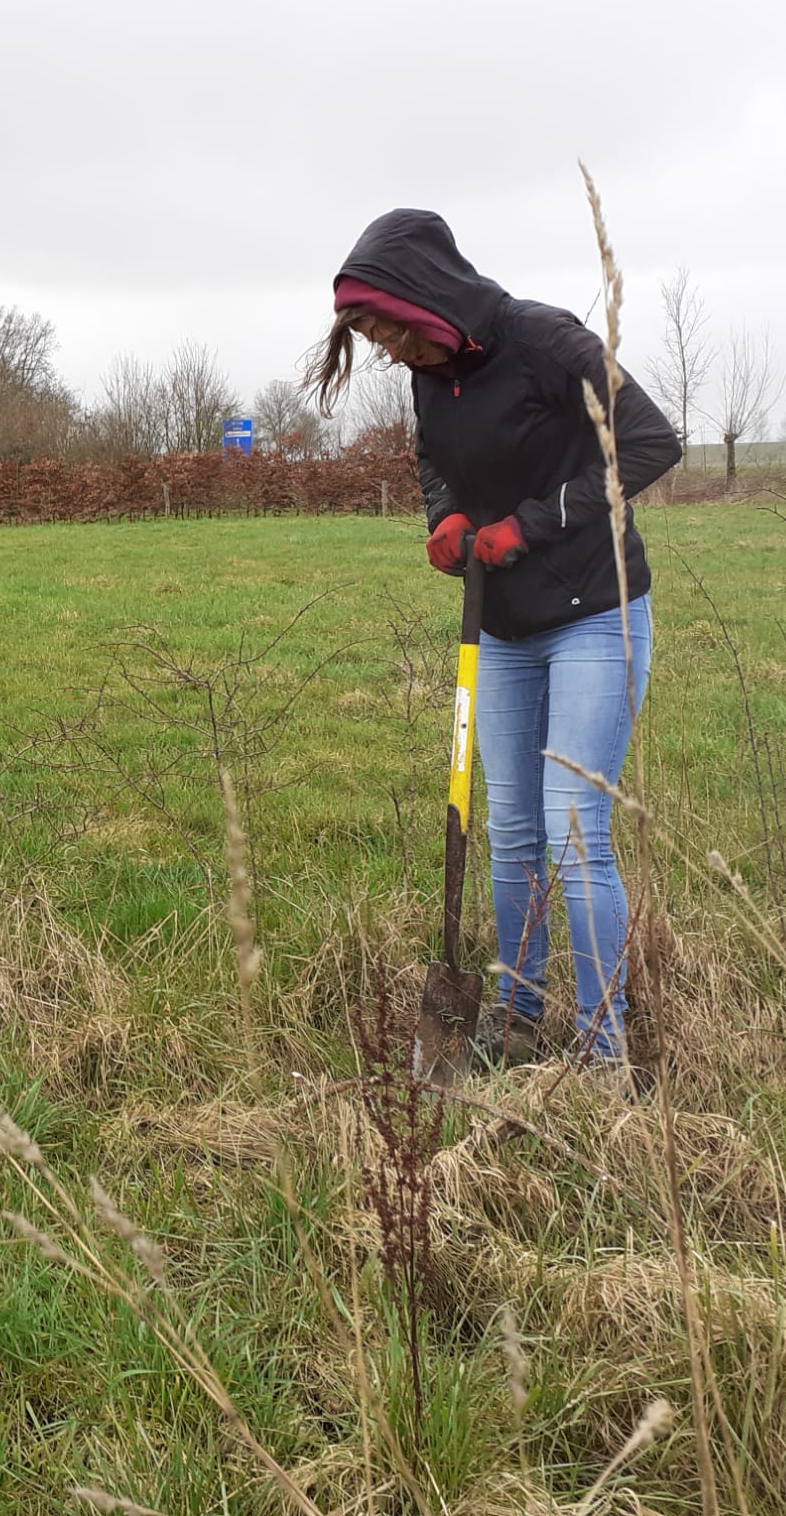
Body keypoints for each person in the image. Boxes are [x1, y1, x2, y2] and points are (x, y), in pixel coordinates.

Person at [313, 209, 680, 1072]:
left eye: (389, 329)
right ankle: (515, 1020)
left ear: (426, 299)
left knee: (573, 826)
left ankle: (601, 1053)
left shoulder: (544, 341)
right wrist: (444, 516)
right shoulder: (426, 376)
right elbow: (437, 462)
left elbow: (651, 442)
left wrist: (533, 523)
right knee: (511, 828)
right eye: (371, 339)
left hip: (595, 610)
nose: (389, 350)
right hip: (503, 628)